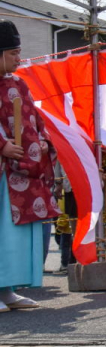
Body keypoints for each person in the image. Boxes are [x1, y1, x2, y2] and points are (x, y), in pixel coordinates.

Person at [0, 21, 55, 313]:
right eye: (13, 53)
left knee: (13, 233)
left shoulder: (18, 84)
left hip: (20, 170)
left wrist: (44, 141)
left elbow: (35, 118)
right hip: (3, 168)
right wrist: (2, 146)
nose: (18, 59)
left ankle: (7, 289)